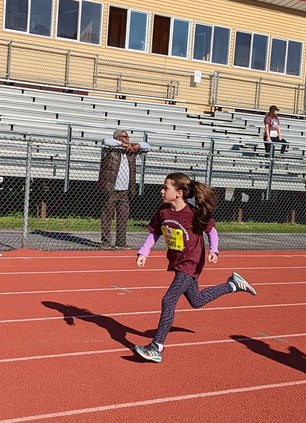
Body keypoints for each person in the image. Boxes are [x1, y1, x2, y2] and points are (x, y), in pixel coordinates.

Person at [133, 171, 257, 362]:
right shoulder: (163, 211)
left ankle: (156, 346)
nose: (161, 191)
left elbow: (211, 230)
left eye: (166, 188)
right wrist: (143, 252)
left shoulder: (192, 213)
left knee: (168, 300)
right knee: (197, 300)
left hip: (191, 262)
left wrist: (214, 250)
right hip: (177, 261)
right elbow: (154, 233)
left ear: (179, 192)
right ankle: (233, 284)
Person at [99, 128, 151, 249]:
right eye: (125, 137)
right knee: (107, 216)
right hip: (111, 189)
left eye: (128, 137)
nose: (127, 139)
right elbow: (106, 141)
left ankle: (121, 242)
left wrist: (136, 146)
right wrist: (123, 144)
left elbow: (147, 146)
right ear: (117, 138)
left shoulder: (130, 151)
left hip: (125, 190)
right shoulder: (109, 149)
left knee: (123, 217)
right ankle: (106, 242)